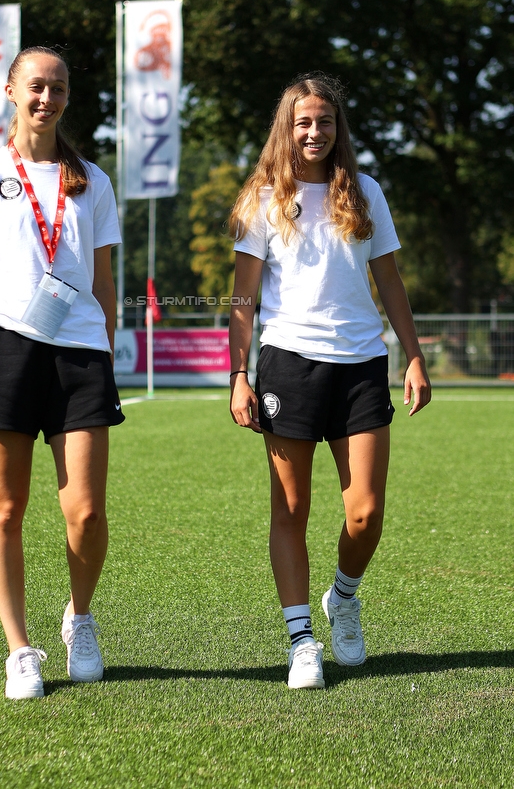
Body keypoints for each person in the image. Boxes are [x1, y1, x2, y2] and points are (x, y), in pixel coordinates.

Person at [228, 72, 430, 690]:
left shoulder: (365, 192)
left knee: (365, 512)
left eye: (325, 121)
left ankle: (342, 598)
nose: (315, 132)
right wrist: (239, 373)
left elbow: (389, 281)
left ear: (339, 129)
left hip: (363, 364)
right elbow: (243, 296)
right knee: (290, 507)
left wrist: (414, 356)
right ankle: (302, 643)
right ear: (287, 130)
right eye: (303, 122)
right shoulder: (261, 197)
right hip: (288, 362)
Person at [0, 46, 124, 700]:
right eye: (36, 87)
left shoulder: (93, 182)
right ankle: (19, 649)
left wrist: (105, 355)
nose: (46, 98)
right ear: (11, 91)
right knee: (5, 509)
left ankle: (80, 619)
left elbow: (104, 282)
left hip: (80, 354)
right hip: (5, 350)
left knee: (85, 513)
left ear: (67, 97)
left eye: (57, 88)